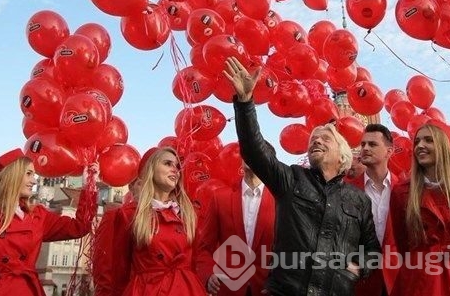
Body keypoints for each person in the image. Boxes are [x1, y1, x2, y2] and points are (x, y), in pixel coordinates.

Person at [224, 56, 380, 296]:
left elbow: (372, 250)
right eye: (313, 139)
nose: (316, 139)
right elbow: (254, 151)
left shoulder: (358, 200)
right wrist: (245, 103)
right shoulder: (292, 180)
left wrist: (357, 267)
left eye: (325, 138)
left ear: (343, 155)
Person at [0, 148, 97, 296]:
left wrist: (88, 186)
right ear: (11, 176)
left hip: (27, 290)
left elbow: (80, 227)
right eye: (28, 174)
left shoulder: (37, 215)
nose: (34, 181)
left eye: (33, 175)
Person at [385, 124, 450, 296]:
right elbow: (402, 241)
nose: (420, 145)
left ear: (442, 147)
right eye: (417, 141)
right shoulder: (401, 192)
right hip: (419, 276)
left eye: (428, 140)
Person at [111, 147, 207, 295]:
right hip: (147, 290)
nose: (175, 170)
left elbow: (196, 262)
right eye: (168, 164)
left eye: (177, 166)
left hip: (186, 289)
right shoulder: (129, 214)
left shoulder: (188, 214)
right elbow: (119, 273)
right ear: (152, 169)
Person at [197, 160, 275, 296]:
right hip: (227, 288)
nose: (249, 154)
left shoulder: (280, 202)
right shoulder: (219, 198)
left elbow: (288, 249)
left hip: (266, 289)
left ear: (267, 158)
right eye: (246, 150)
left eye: (254, 149)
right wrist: (208, 274)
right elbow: (204, 248)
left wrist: (278, 283)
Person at [346, 124, 399, 296]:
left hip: (400, 279)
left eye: (372, 144)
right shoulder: (346, 192)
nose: (365, 148)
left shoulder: (406, 189)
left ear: (389, 151)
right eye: (363, 144)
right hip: (359, 280)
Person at [92, 175, 143, 296]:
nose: (147, 188)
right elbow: (104, 264)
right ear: (131, 187)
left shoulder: (168, 217)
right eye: (141, 183)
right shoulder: (115, 216)